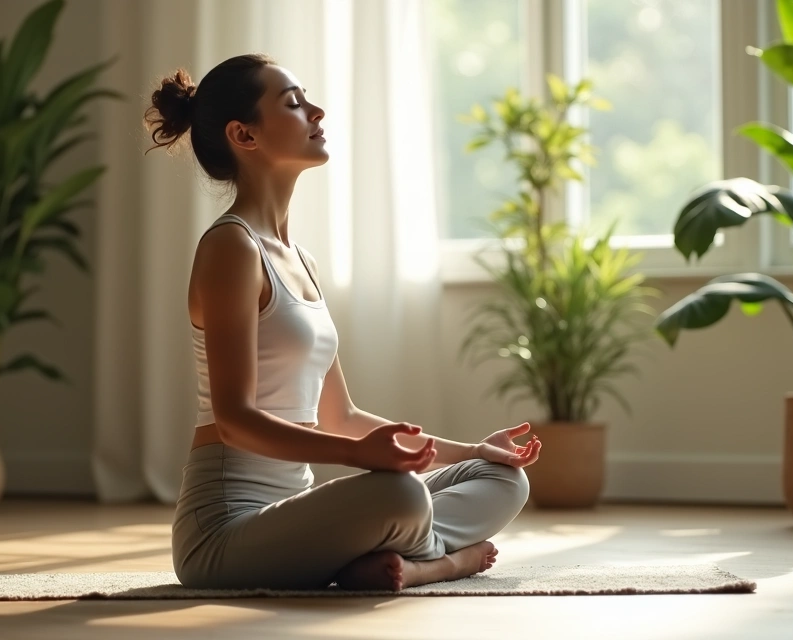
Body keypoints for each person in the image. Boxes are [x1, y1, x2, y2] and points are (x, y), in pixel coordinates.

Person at [143, 53, 543, 592]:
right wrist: (360, 457)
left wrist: (471, 451)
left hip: (294, 517)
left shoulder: (298, 258)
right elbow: (236, 419)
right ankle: (439, 564)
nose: (318, 111)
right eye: (293, 103)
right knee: (398, 494)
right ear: (245, 135)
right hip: (223, 535)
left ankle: (371, 555)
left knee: (502, 478)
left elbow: (341, 414)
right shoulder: (230, 248)